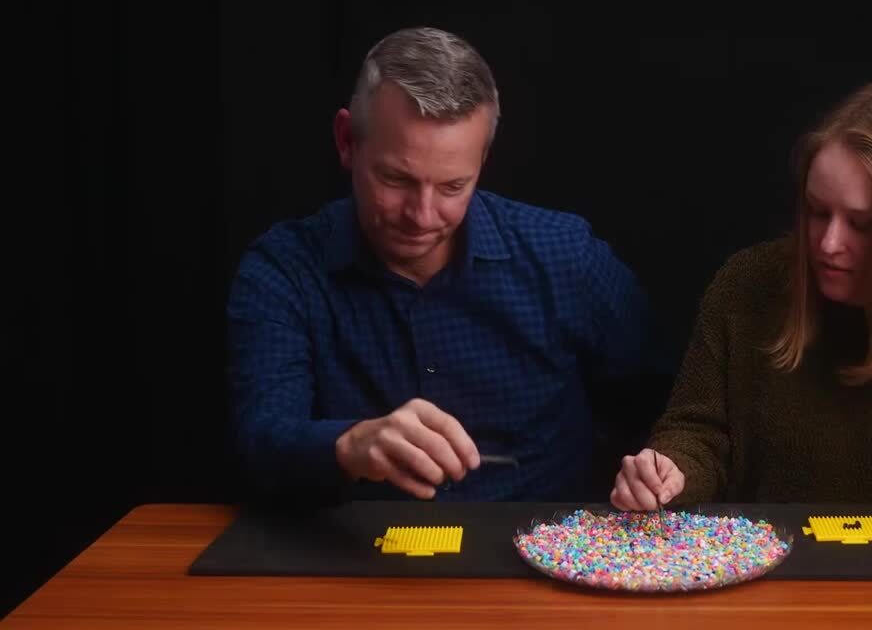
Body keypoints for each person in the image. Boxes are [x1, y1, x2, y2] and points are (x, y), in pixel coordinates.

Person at [226, 27, 667, 504]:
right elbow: (262, 440)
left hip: (542, 544)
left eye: (453, 187)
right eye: (396, 179)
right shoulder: (284, 269)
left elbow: (666, 407)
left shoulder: (566, 256)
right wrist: (348, 446)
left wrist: (649, 470)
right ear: (347, 140)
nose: (422, 216)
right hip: (359, 547)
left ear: (483, 160)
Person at [611, 81, 872, 560]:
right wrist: (668, 469)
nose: (829, 244)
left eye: (863, 224)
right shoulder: (746, 283)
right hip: (767, 565)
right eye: (818, 213)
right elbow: (699, 432)